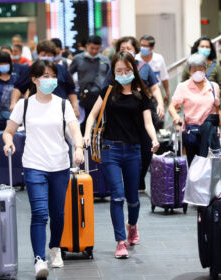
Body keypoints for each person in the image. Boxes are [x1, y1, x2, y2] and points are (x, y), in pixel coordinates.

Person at [2, 60, 84, 278]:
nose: (49, 80)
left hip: (59, 165)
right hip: (34, 165)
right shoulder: (24, 105)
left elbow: (74, 129)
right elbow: (8, 130)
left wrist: (78, 147)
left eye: (52, 75)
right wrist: (8, 141)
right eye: (45, 76)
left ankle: (55, 247)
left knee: (57, 213)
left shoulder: (62, 104)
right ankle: (39, 259)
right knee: (39, 213)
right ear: (34, 79)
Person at [84, 51, 159, 259]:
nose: (123, 73)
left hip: (134, 151)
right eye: (119, 70)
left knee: (133, 198)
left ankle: (132, 226)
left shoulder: (141, 94)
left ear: (134, 70)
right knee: (117, 196)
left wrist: (154, 139)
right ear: (113, 72)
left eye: (127, 70)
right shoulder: (108, 91)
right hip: (111, 150)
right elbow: (92, 115)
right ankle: (120, 241)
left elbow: (148, 123)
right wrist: (86, 135)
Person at [108, 36, 165, 192]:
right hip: (123, 117)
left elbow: (154, 88)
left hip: (143, 112)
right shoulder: (114, 68)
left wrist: (160, 103)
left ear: (135, 50)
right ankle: (127, 181)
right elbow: (107, 90)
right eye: (122, 49)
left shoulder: (145, 67)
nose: (125, 51)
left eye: (129, 48)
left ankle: (139, 180)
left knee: (147, 149)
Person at [169, 53, 221, 165]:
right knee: (195, 167)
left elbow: (217, 110)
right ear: (189, 71)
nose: (197, 72)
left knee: (212, 166)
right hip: (192, 132)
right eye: (194, 70)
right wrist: (176, 117)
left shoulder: (213, 86)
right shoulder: (183, 86)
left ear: (205, 69)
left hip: (210, 132)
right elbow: (172, 107)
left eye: (201, 69)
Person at [10, 40, 79, 118]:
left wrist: (75, 108)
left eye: (49, 54)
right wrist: (13, 103)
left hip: (59, 110)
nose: (46, 57)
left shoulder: (62, 70)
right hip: (36, 110)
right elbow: (19, 87)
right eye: (44, 54)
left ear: (53, 56)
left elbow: (71, 90)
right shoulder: (32, 69)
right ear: (38, 55)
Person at [69, 35, 110, 131]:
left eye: (97, 48)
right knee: (84, 122)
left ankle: (100, 144)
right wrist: (73, 84)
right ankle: (83, 144)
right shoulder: (78, 58)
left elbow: (110, 77)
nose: (94, 51)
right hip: (85, 96)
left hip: (101, 96)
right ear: (87, 46)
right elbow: (69, 73)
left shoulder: (105, 60)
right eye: (92, 48)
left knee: (102, 123)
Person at [181, 36, 221, 114]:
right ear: (197, 48)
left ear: (211, 49)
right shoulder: (189, 66)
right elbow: (183, 84)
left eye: (207, 47)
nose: (205, 49)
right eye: (202, 46)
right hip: (192, 107)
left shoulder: (216, 67)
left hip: (211, 107)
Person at [137, 35, 170, 104]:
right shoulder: (136, 59)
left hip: (156, 91)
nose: (143, 48)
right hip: (140, 93)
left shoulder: (159, 58)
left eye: (145, 46)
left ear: (152, 47)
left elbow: (164, 77)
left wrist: (167, 92)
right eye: (141, 45)